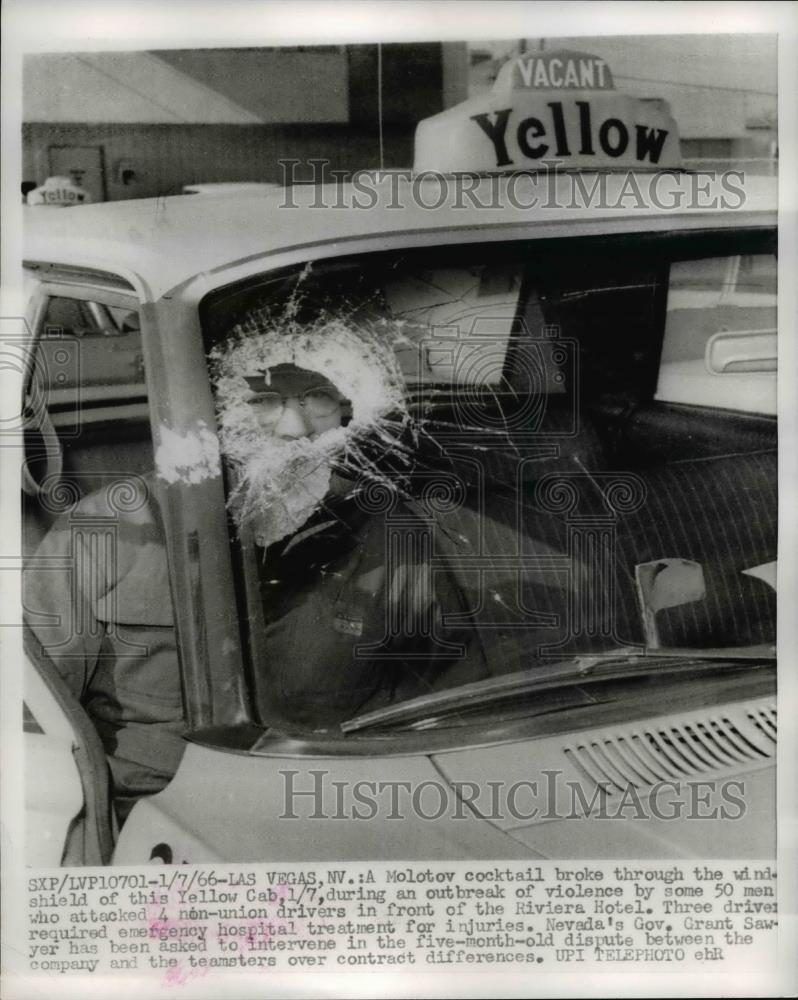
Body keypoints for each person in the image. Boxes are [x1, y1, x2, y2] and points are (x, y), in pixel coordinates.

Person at [23, 323, 480, 816]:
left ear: (349, 406)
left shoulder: (389, 531)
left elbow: (448, 690)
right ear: (213, 407)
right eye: (262, 400)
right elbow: (33, 718)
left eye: (316, 397)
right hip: (149, 807)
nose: (293, 429)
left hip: (326, 797)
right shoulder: (108, 527)